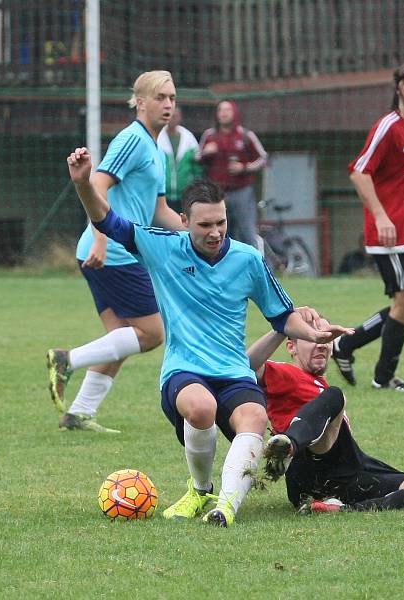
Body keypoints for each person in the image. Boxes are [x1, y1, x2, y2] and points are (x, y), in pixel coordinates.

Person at [64, 160, 352, 527]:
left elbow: (282, 315)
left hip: (233, 374)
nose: (215, 232)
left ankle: (226, 509)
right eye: (205, 225)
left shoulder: (248, 259)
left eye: (221, 222)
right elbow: (107, 221)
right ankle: (201, 490)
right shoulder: (162, 247)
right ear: (183, 221)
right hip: (184, 371)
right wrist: (83, 184)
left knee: (256, 416)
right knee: (201, 407)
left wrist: (312, 334)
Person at [46, 70, 183, 433]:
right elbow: (97, 184)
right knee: (152, 334)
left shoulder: (157, 148)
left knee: (119, 341)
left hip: (111, 250)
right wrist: (104, 238)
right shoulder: (133, 139)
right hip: (113, 251)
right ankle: (67, 359)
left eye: (171, 98)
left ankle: (79, 414)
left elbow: (159, 210)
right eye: (160, 98)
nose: (168, 104)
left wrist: (194, 234)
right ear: (140, 102)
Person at [247, 312, 404, 513]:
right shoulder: (285, 373)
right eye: (313, 338)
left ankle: (347, 508)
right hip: (310, 468)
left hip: (350, 474)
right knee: (336, 396)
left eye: (326, 338)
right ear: (292, 346)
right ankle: (289, 444)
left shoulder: (318, 385)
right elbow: (246, 365)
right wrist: (282, 325)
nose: (322, 344)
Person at [332, 60, 404, 392]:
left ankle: (346, 346)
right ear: (398, 89)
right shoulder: (388, 127)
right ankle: (383, 379)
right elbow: (358, 172)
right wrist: (381, 216)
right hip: (390, 234)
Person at [196, 100, 268, 248]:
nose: (223, 113)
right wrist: (206, 153)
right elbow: (197, 158)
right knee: (222, 234)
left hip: (241, 192)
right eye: (220, 110)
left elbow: (263, 158)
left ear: (234, 113)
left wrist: (244, 167)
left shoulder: (246, 135)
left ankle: (256, 268)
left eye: (227, 110)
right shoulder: (210, 136)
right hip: (218, 194)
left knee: (247, 231)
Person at [157, 106, 203, 213]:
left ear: (180, 117)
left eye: (175, 116)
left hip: (184, 196)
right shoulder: (158, 137)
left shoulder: (189, 138)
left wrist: (195, 190)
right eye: (169, 115)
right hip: (162, 196)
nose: (172, 118)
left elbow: (196, 167)